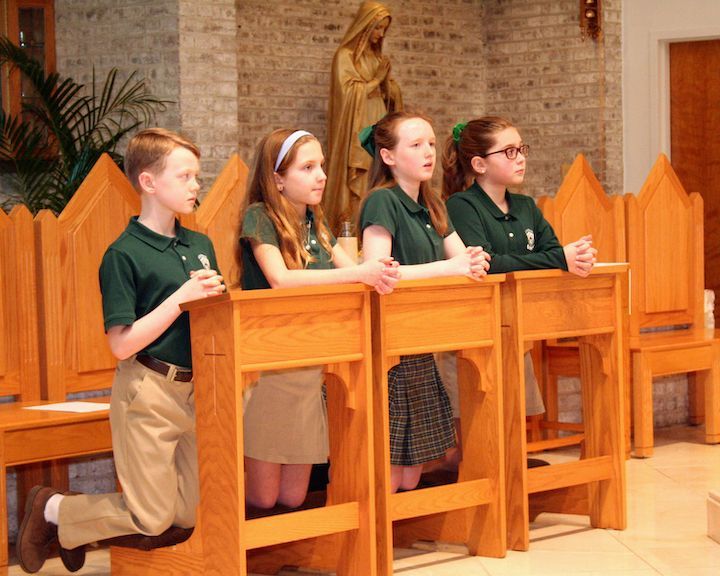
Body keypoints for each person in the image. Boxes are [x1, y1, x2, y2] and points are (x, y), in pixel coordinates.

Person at [16, 128, 226, 574]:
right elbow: (121, 343)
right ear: (149, 182)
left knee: (185, 516)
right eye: (185, 176)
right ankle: (52, 509)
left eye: (197, 176)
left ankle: (68, 521)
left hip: (195, 391)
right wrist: (181, 298)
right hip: (147, 388)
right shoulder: (123, 254)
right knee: (152, 518)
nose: (195, 185)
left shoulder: (200, 245)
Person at [239, 128, 399, 510]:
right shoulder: (259, 216)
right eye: (308, 167)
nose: (321, 176)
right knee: (263, 495)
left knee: (293, 497)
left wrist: (377, 269)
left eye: (321, 166)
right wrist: (359, 273)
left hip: (314, 362)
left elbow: (352, 269)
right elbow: (281, 279)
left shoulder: (316, 221)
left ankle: (290, 547)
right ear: (277, 178)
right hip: (272, 364)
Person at [441, 116, 597, 460]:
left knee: (510, 429)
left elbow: (553, 251)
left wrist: (567, 258)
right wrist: (559, 259)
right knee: (473, 439)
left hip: (517, 328)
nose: (521, 158)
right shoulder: (462, 206)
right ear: (479, 164)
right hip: (475, 331)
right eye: (509, 152)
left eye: (521, 149)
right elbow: (487, 263)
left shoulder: (526, 206)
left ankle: (511, 489)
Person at [358, 110, 490, 493]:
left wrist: (474, 261)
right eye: (415, 145)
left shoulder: (433, 203)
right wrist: (451, 267)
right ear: (388, 156)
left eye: (431, 143)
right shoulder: (382, 202)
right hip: (390, 349)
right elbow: (378, 271)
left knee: (413, 471)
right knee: (391, 470)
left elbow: (462, 259)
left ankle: (403, 524)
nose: (428, 152)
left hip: (423, 342)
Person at [325, 0, 403, 232]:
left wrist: (389, 86)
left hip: (379, 120)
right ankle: (353, 232)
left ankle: (378, 227)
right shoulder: (345, 56)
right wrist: (377, 80)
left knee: (379, 174)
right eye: (377, 28)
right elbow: (347, 93)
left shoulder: (377, 59)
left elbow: (391, 98)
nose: (380, 35)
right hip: (356, 126)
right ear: (365, 25)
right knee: (360, 177)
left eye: (384, 30)